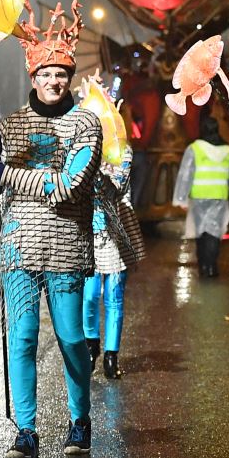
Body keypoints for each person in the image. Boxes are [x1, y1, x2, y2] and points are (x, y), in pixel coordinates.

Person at [0, 0, 101, 458]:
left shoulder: (86, 124)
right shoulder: (10, 125)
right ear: (32, 78)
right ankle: (26, 429)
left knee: (71, 338)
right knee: (24, 338)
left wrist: (9, 173)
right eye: (44, 75)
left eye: (60, 75)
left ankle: (79, 419)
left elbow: (69, 186)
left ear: (69, 78)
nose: (53, 81)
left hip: (66, 247)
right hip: (17, 250)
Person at [82, 77, 143, 380]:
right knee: (90, 293)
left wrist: (94, 172)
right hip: (87, 235)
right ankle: (91, 344)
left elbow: (115, 191)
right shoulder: (81, 154)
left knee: (114, 297)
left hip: (115, 234)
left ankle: (111, 355)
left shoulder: (124, 154)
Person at [175, 114, 229, 278]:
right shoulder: (228, 151)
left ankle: (203, 265)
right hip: (219, 196)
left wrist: (181, 198)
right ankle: (211, 266)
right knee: (214, 232)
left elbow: (185, 174)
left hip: (198, 196)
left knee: (201, 231)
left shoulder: (195, 148)